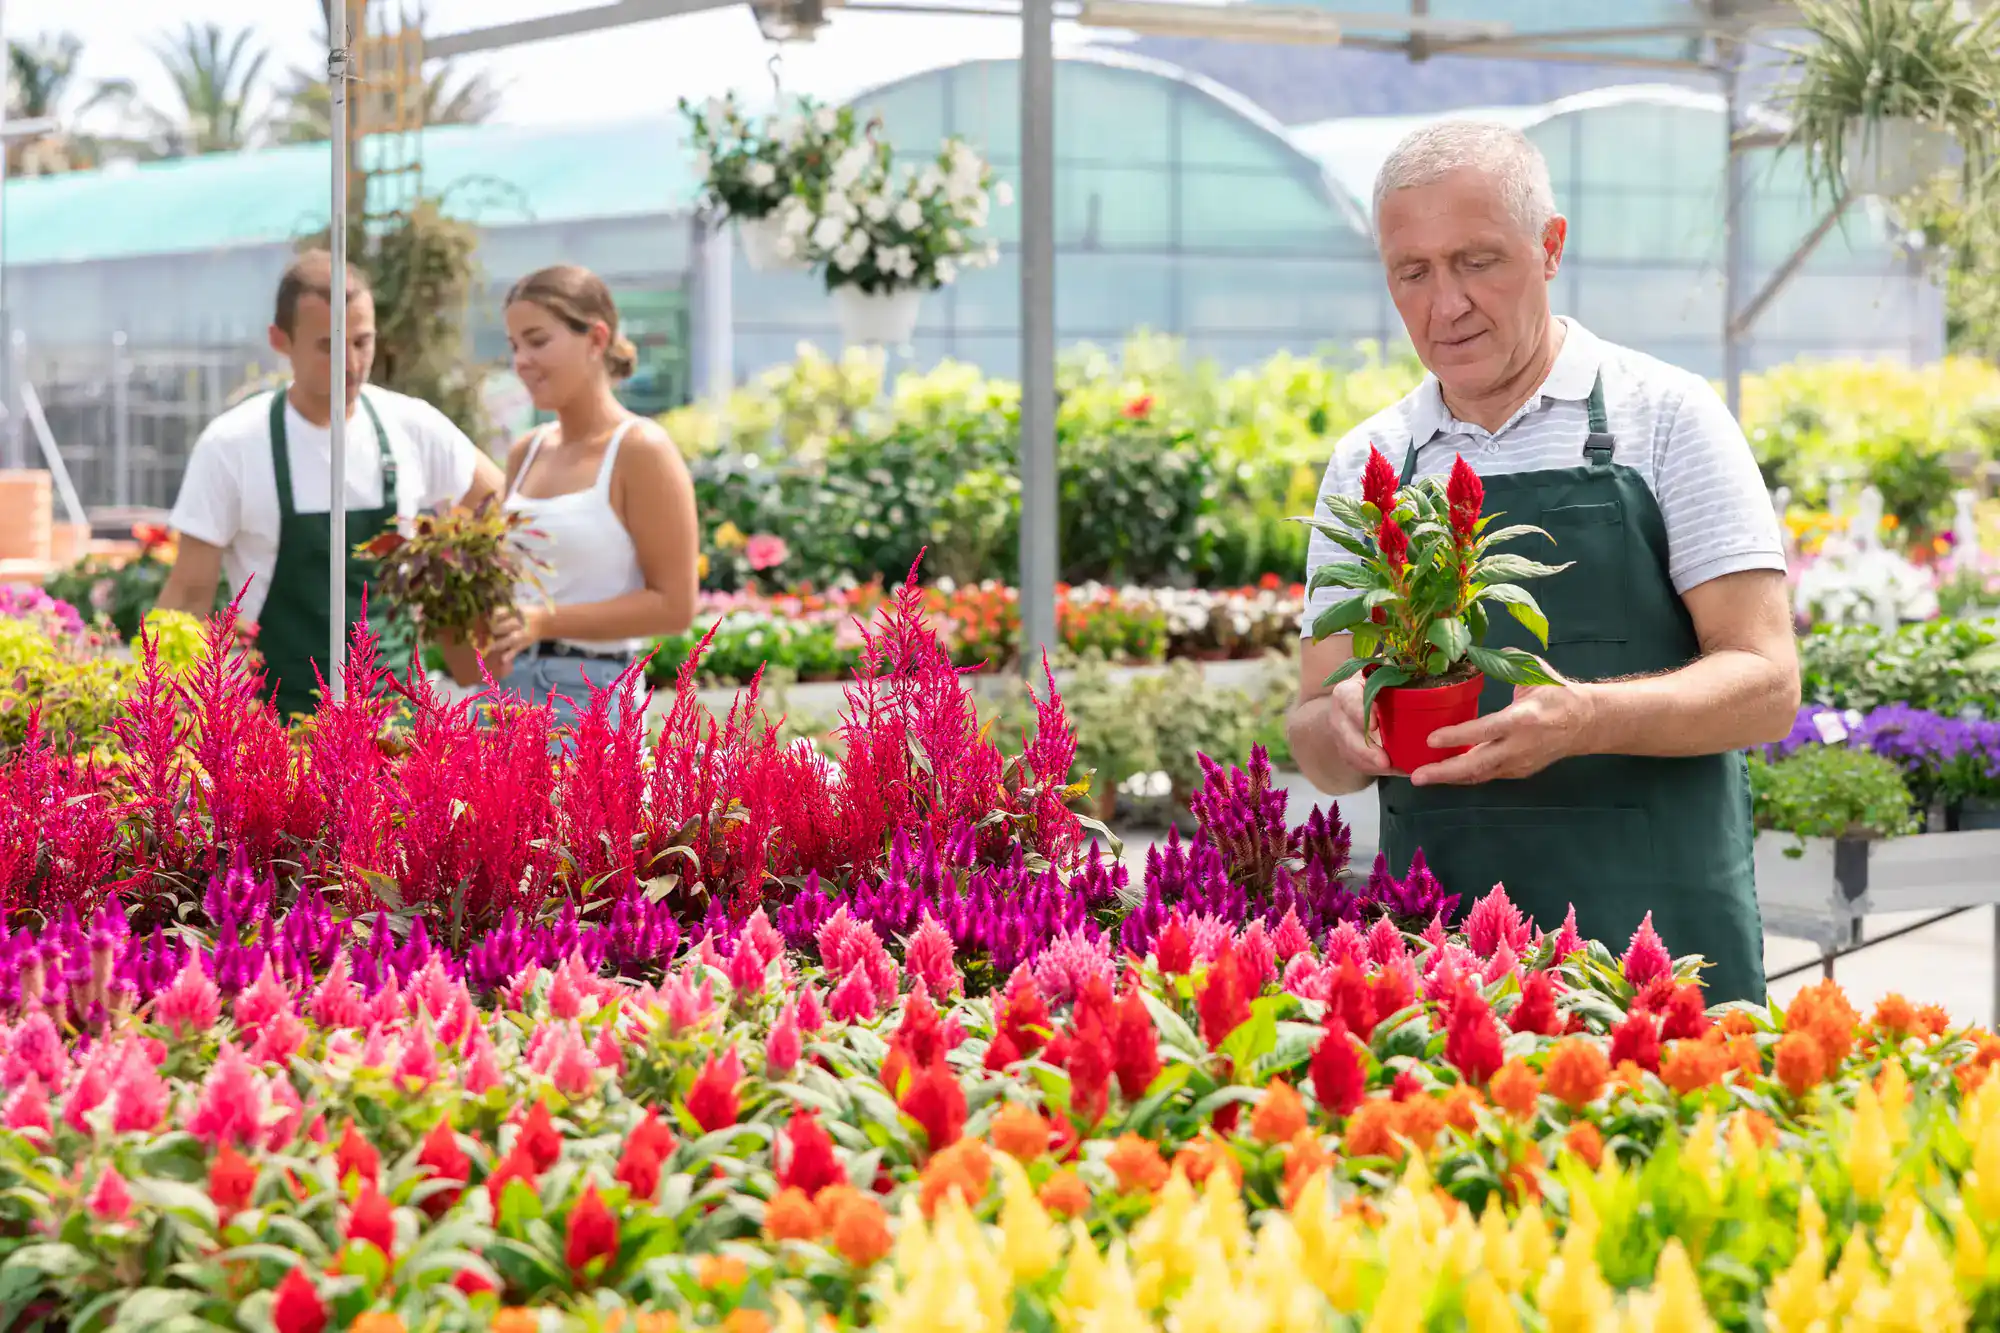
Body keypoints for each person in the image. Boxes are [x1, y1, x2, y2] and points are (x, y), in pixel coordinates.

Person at [1286, 122, 1800, 1004]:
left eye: (1477, 261)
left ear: (1550, 246)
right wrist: (1337, 731)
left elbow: (1766, 685)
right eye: (1414, 272)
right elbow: (1311, 730)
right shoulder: (1371, 462)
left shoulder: (1667, 418)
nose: (1446, 305)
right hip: (1441, 954)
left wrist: (1587, 718)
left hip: (1659, 933)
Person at [158, 250, 503, 719]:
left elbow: (500, 504)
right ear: (280, 340)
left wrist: (452, 588)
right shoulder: (232, 445)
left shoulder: (414, 427)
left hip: (398, 725)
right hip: (277, 729)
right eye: (329, 345)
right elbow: (187, 597)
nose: (351, 363)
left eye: (363, 342)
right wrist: (161, 712)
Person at [441, 264, 698, 725]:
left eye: (537, 341)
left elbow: (675, 606)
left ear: (596, 339)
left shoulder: (640, 449)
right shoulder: (528, 451)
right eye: (515, 345)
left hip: (590, 696)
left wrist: (544, 621)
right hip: (502, 693)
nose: (521, 360)